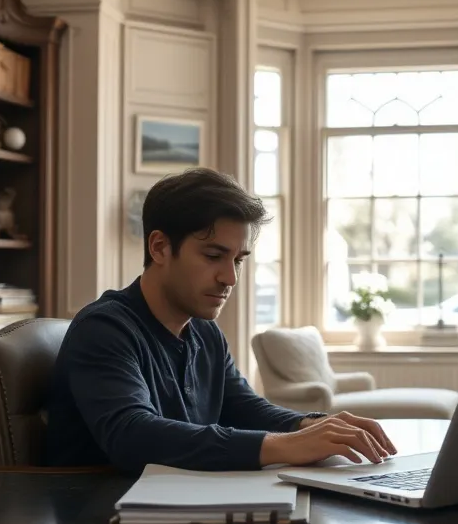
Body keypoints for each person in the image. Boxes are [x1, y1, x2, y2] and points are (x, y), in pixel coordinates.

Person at [44, 167, 396, 473]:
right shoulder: (104, 329)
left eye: (238, 260)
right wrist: (287, 446)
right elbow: (132, 435)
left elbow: (242, 407)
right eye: (214, 256)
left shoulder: (204, 332)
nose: (230, 278)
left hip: (175, 512)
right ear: (160, 248)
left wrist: (314, 426)